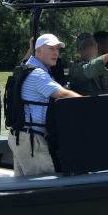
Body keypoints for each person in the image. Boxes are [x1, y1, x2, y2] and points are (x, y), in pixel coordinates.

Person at [8, 34, 82, 176]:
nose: (56, 53)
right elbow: (63, 95)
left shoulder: (26, 67)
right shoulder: (38, 74)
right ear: (38, 51)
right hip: (32, 140)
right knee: (44, 186)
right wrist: (90, 104)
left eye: (57, 49)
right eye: (51, 48)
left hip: (20, 136)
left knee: (24, 188)